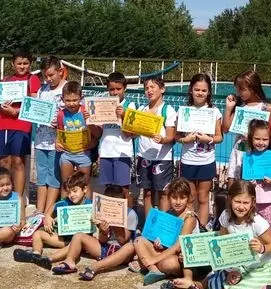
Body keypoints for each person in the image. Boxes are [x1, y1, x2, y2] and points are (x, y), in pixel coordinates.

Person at [206, 180, 271, 289]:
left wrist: (262, 248)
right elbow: (224, 243)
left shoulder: (257, 222)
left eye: (246, 203)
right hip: (241, 265)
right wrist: (231, 270)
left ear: (252, 203)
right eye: (237, 201)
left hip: (262, 267)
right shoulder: (225, 216)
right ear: (229, 199)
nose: (241, 207)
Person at [51, 184, 138, 279]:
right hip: (106, 248)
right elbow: (102, 240)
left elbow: (123, 241)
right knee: (78, 236)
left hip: (121, 252)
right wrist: (104, 231)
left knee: (130, 247)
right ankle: (69, 261)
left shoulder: (131, 214)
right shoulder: (102, 212)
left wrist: (116, 224)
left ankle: (95, 267)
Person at [0, 49, 42, 210]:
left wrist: (15, 112)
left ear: (30, 64)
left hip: (21, 126)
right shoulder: (5, 80)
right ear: (13, 64)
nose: (22, 66)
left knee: (18, 162)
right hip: (2, 125)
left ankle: (18, 198)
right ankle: (4, 194)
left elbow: (35, 104)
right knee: (4, 162)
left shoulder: (33, 79)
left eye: (25, 63)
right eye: (19, 63)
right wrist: (4, 109)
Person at [13, 171, 90, 269]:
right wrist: (48, 217)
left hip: (78, 242)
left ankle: (48, 259)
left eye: (75, 191)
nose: (71, 195)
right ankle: (36, 254)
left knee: (71, 246)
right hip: (62, 239)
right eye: (69, 192)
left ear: (84, 189)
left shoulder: (89, 205)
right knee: (37, 234)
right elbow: (53, 206)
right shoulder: (66, 201)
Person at [176, 73, 223, 232]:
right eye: (197, 89)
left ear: (209, 92)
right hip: (188, 160)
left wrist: (207, 139)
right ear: (191, 90)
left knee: (203, 197)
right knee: (190, 197)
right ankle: (189, 228)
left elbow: (219, 137)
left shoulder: (214, 111)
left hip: (206, 160)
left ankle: (201, 228)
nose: (200, 93)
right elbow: (176, 136)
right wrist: (185, 140)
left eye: (204, 90)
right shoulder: (184, 111)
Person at [134, 177, 198, 287]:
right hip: (168, 253)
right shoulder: (169, 213)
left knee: (167, 264)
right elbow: (165, 242)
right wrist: (159, 244)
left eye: (182, 198)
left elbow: (177, 247)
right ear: (169, 198)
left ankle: (148, 264)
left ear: (188, 198)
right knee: (139, 240)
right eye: (174, 197)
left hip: (183, 259)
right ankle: (154, 270)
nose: (178, 202)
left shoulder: (190, 217)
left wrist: (154, 258)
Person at [227, 119, 271, 231]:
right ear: (250, 138)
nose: (261, 142)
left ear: (270, 140)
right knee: (250, 228)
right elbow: (242, 178)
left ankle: (269, 247)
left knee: (269, 229)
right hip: (250, 201)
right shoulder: (247, 157)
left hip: (269, 200)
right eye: (257, 138)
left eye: (265, 139)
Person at [86, 72, 136, 201]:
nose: (115, 92)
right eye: (111, 89)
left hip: (122, 152)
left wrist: (123, 116)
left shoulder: (130, 106)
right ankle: (111, 218)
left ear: (125, 88)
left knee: (123, 190)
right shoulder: (102, 106)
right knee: (109, 190)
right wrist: (90, 122)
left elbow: (130, 134)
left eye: (118, 89)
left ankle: (128, 217)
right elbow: (98, 134)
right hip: (106, 151)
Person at [135, 77, 178, 219]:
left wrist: (163, 140)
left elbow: (172, 137)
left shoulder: (168, 110)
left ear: (162, 89)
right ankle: (148, 225)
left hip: (162, 158)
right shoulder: (142, 110)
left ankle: (161, 226)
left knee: (163, 193)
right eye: (146, 88)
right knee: (147, 192)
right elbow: (134, 131)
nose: (149, 90)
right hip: (144, 157)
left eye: (153, 87)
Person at [32, 56, 66, 215]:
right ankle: (39, 211)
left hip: (57, 142)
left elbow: (74, 114)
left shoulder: (67, 89)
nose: (48, 79)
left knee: (53, 177)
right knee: (41, 176)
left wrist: (60, 122)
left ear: (60, 71)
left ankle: (48, 211)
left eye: (51, 75)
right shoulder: (42, 90)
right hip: (41, 140)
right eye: (45, 76)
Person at [55, 81, 91, 189]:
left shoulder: (86, 111)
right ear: (62, 100)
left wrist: (89, 120)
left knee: (84, 185)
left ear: (81, 98)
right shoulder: (61, 114)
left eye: (75, 100)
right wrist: (57, 143)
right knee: (66, 185)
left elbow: (96, 132)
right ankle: (65, 205)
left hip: (83, 153)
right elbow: (60, 132)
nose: (71, 103)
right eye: (68, 100)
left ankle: (87, 206)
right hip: (67, 154)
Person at [222, 69, 271, 138]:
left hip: (258, 148)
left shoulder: (266, 108)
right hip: (238, 148)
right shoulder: (240, 105)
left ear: (253, 89)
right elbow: (225, 129)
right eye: (237, 89)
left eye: (242, 89)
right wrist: (228, 109)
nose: (238, 92)